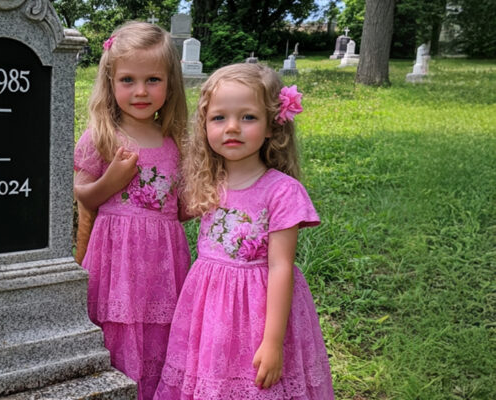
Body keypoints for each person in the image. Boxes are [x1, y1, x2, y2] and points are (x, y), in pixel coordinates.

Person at [154, 63, 334, 399]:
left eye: (248, 117)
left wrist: (273, 342)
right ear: (204, 126)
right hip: (210, 311)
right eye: (219, 118)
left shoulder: (282, 191)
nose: (232, 127)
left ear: (271, 126)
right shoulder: (208, 182)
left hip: (260, 313)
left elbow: (281, 267)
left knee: (257, 385)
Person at [73, 21, 191, 399]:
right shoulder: (102, 137)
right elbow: (84, 197)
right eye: (128, 80)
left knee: (161, 331)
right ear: (110, 83)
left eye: (153, 80)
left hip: (163, 264)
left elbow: (182, 209)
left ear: (170, 83)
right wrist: (114, 179)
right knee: (117, 331)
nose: (141, 91)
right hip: (115, 263)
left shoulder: (177, 141)